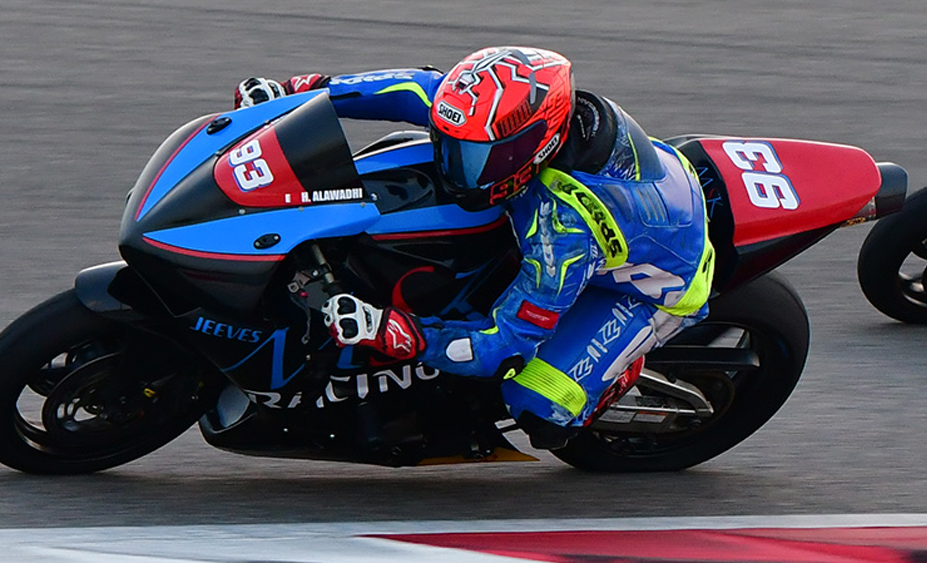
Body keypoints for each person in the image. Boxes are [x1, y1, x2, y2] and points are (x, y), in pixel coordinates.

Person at [232, 46, 714, 448]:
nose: (455, 165)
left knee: (539, 407)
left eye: (476, 157)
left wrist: (392, 330)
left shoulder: (564, 230)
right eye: (450, 144)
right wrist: (295, 91)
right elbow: (407, 88)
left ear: (534, 147)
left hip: (647, 288)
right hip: (635, 204)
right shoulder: (492, 120)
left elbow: (503, 345)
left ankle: (615, 377)